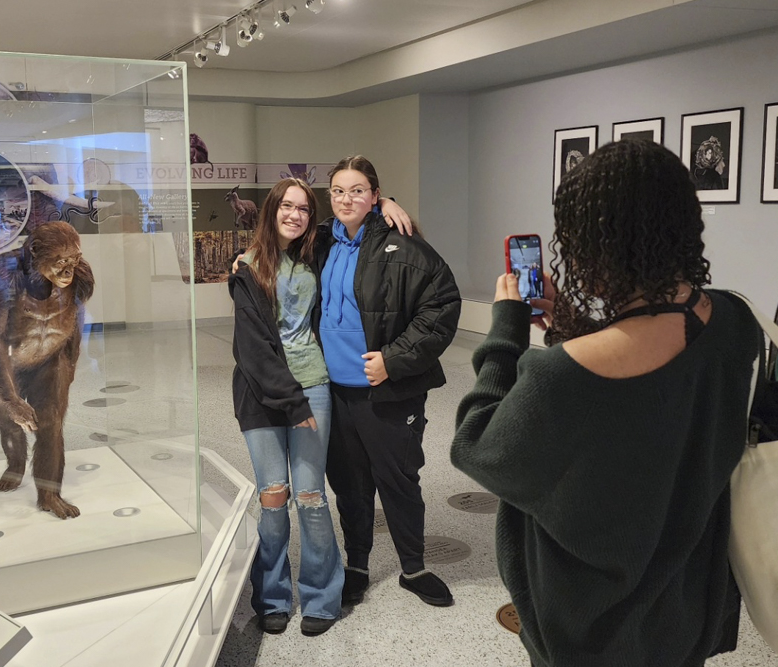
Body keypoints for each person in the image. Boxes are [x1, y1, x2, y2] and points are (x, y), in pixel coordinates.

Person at [451, 139, 759, 666]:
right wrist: (574, 324)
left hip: (590, 624)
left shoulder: (559, 377)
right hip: (685, 605)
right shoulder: (734, 321)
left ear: (592, 244)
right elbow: (651, 377)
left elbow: (477, 446)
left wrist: (506, 327)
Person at [320, 155, 462, 608]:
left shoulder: (405, 246)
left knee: (399, 480)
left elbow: (441, 306)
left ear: (375, 195)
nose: (347, 198)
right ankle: (357, 565)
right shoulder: (319, 242)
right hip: (334, 392)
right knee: (349, 483)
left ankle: (413, 568)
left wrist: (394, 360)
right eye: (339, 190)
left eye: (358, 190)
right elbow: (275, 247)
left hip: (387, 391)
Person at [229, 177, 343, 637]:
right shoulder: (248, 268)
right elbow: (253, 350)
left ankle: (320, 595)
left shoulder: (314, 253)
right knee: (273, 497)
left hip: (313, 383)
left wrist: (387, 203)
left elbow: (354, 222)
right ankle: (273, 596)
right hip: (263, 395)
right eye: (287, 207)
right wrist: (293, 404)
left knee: (311, 496)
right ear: (271, 210)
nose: (295, 215)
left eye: (304, 209)